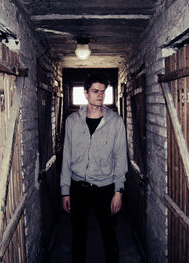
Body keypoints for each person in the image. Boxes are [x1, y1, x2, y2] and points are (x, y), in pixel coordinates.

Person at [60, 72, 128, 263]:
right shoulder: (72, 122)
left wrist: (118, 192)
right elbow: (66, 158)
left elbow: (120, 158)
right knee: (78, 239)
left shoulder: (115, 122)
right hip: (78, 188)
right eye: (95, 91)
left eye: (103, 92)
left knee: (110, 239)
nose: (100, 95)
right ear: (86, 93)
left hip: (105, 189)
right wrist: (65, 191)